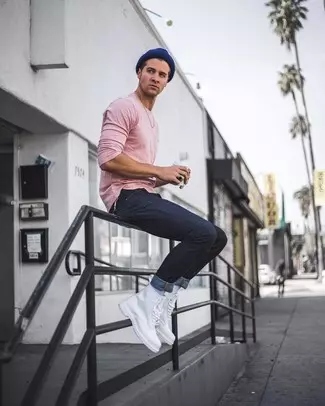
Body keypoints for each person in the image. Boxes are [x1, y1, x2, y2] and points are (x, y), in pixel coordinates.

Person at [97, 48, 228, 353]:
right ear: (139, 73)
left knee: (217, 238)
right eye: (150, 71)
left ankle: (163, 300)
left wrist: (164, 177)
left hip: (143, 192)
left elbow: (139, 168)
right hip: (124, 198)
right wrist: (159, 170)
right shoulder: (123, 107)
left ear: (167, 82)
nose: (156, 78)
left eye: (162, 75)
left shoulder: (151, 120)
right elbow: (108, 158)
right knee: (203, 233)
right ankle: (146, 302)